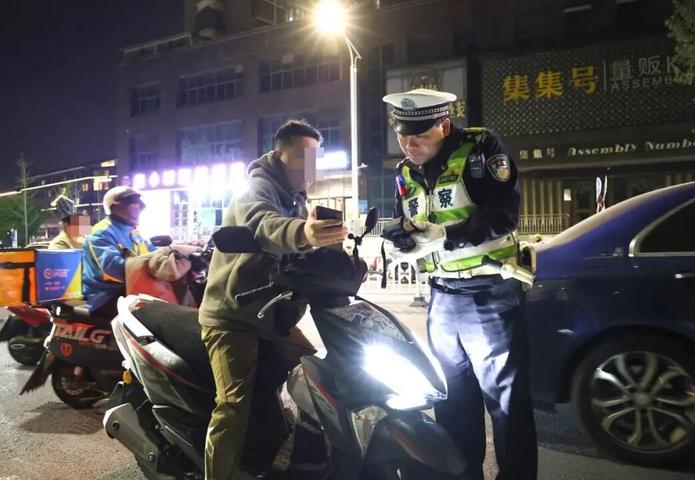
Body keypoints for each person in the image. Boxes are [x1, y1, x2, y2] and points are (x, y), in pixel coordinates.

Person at [383, 88, 537, 479]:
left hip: (489, 294)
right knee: (452, 405)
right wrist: (403, 239)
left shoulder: (480, 151)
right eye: (403, 136)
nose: (410, 145)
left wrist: (447, 236)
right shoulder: (405, 172)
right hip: (441, 297)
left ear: (444, 126)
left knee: (506, 404)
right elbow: (409, 221)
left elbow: (504, 214)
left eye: (420, 136)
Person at [199, 119, 348, 479]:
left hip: (272, 316)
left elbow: (301, 255)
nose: (310, 169)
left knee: (319, 380)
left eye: (315, 160)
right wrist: (303, 232)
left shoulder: (296, 199)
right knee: (233, 406)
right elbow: (263, 225)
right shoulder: (257, 187)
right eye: (303, 158)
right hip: (234, 316)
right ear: (281, 154)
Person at [82, 186, 155, 317]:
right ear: (116, 207)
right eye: (134, 203)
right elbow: (114, 268)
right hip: (105, 296)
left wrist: (175, 252)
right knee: (152, 318)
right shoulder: (101, 233)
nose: (140, 207)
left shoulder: (133, 232)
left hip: (132, 290)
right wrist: (153, 265)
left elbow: (153, 252)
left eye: (140, 204)